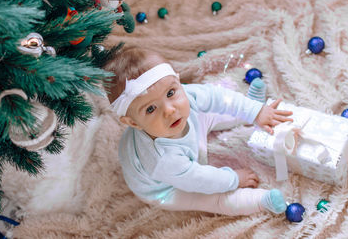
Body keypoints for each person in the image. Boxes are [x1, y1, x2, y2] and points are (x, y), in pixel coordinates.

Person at [104, 46, 293, 216]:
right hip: (167, 187)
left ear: (177, 81)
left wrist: (254, 111)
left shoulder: (185, 95)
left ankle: (250, 111)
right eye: (151, 109)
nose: (169, 110)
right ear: (133, 123)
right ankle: (261, 201)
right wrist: (233, 179)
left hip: (188, 136)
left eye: (171, 93)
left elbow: (218, 97)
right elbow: (202, 179)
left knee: (213, 111)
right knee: (212, 199)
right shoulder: (163, 160)